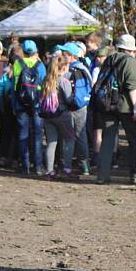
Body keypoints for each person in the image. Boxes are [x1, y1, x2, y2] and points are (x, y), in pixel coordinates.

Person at [95, 34, 136, 185]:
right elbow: (132, 87)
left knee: (108, 140)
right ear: (130, 49)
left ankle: (102, 175)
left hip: (108, 105)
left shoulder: (109, 58)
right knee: (134, 140)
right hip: (125, 106)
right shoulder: (129, 61)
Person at [39, 54, 76, 178]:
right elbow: (69, 100)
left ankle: (49, 171)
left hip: (47, 115)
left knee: (51, 142)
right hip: (62, 115)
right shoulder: (64, 81)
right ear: (64, 67)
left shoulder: (46, 80)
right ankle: (67, 169)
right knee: (70, 139)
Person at [13, 39, 46, 175]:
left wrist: (14, 104)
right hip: (37, 104)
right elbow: (43, 85)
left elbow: (14, 86)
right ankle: (38, 167)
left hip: (21, 104)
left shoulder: (17, 63)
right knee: (38, 135)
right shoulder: (41, 65)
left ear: (24, 51)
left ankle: (24, 166)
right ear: (36, 51)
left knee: (22, 134)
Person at [60, 43, 92, 176]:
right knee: (81, 135)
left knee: (68, 137)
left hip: (69, 107)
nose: (62, 56)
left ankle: (66, 165)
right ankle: (85, 166)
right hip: (82, 106)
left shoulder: (68, 71)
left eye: (64, 54)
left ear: (72, 56)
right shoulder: (84, 68)